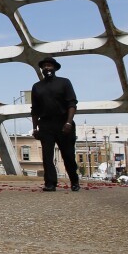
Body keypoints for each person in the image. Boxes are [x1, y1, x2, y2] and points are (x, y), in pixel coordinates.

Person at [30, 57, 81, 192]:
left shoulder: (64, 82)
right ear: (42, 69)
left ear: (55, 68)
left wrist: (69, 122)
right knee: (47, 156)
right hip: (46, 124)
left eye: (49, 65)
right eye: (45, 66)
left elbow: (72, 103)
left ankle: (74, 181)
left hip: (63, 123)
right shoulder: (37, 87)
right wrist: (35, 128)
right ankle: (50, 183)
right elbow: (34, 110)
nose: (47, 68)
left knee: (68, 155)